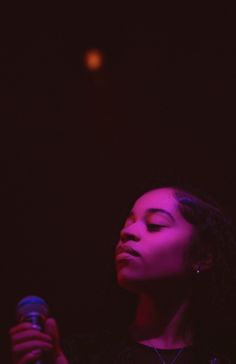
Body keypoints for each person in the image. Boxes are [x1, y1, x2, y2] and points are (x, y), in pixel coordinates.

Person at [9, 186, 236, 363]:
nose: (127, 232)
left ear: (204, 256)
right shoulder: (83, 355)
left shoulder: (224, 356)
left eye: (155, 225)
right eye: (128, 223)